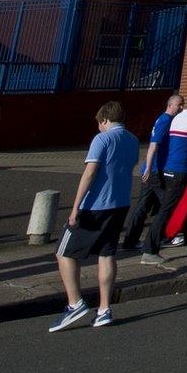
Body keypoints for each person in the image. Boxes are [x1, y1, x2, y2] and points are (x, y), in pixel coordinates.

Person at [48, 101, 140, 331]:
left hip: (95, 205)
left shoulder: (102, 139)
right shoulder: (132, 140)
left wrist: (75, 207)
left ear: (105, 120)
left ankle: (74, 303)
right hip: (121, 203)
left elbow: (90, 173)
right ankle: (104, 309)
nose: (98, 127)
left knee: (63, 252)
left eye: (99, 123)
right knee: (107, 254)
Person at [146, 89, 187, 254]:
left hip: (172, 168)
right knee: (167, 210)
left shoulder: (177, 118)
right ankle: (149, 250)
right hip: (180, 170)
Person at [127, 94, 180, 263]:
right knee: (167, 204)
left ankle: (131, 239)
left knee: (143, 205)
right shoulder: (165, 120)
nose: (180, 108)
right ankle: (164, 236)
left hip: (152, 170)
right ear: (170, 105)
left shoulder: (162, 119)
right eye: (179, 105)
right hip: (155, 171)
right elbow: (153, 145)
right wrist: (149, 167)